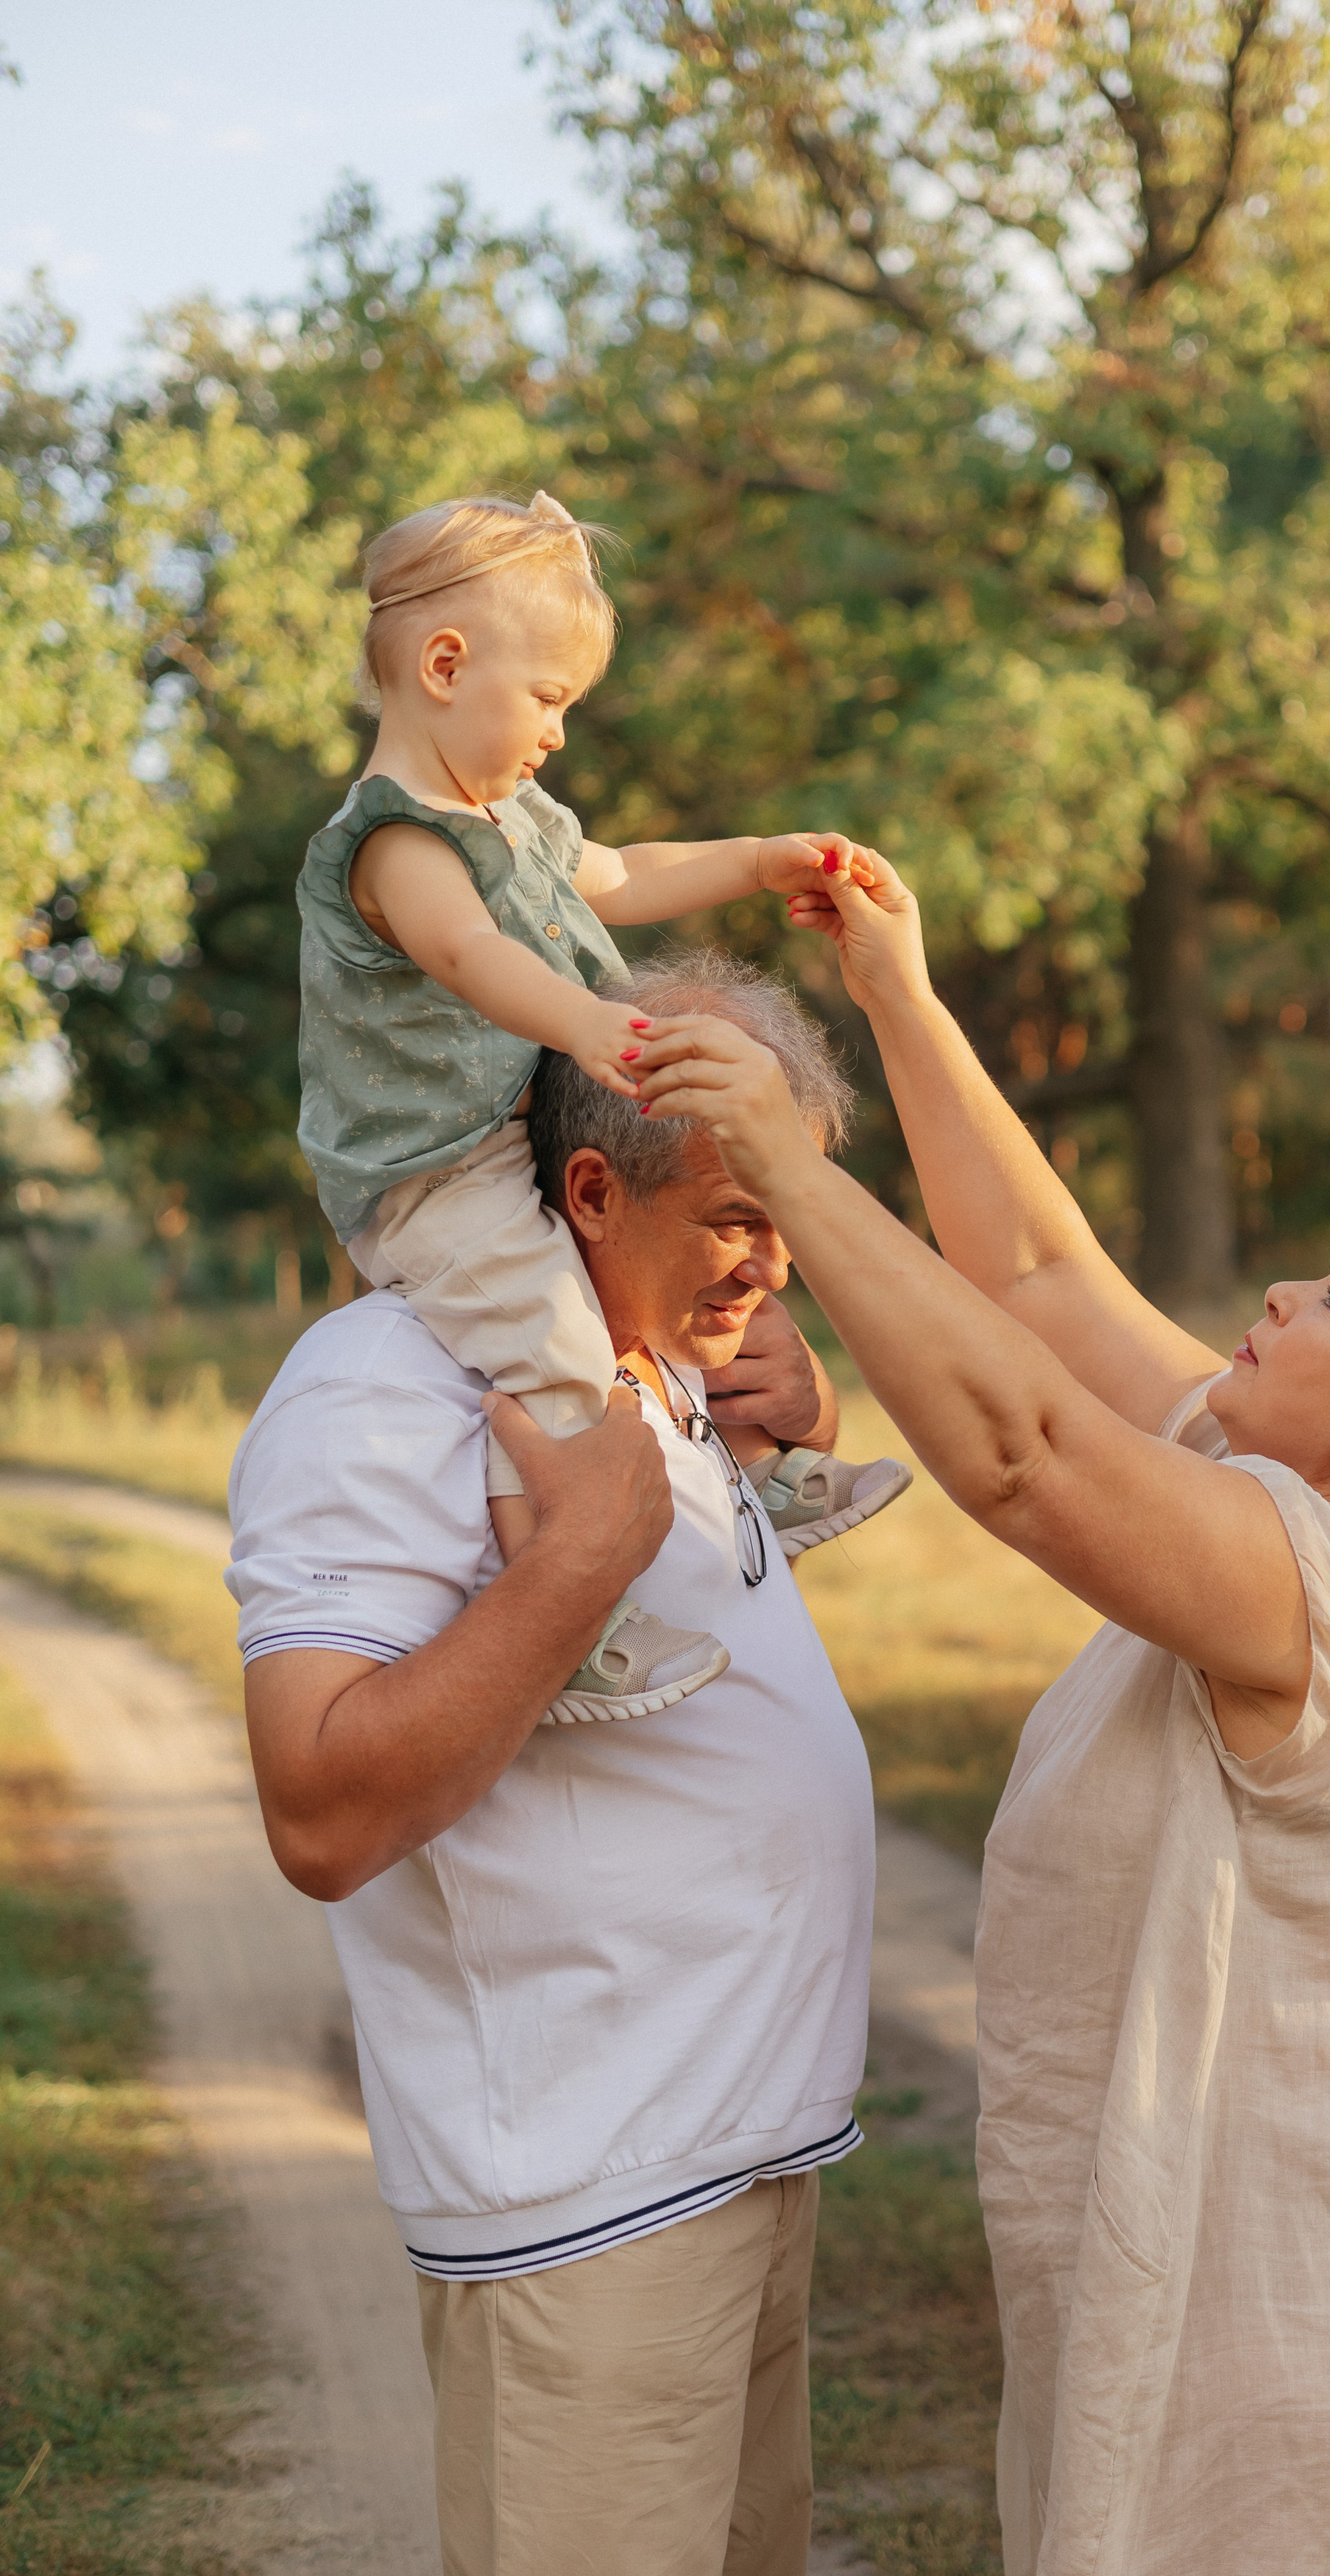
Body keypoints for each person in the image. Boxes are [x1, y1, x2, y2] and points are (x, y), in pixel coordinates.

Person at [631, 853, 1330, 2576]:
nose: (1279, 1298)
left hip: (1286, 2298)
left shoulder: (1324, 1588)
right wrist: (897, 993)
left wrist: (792, 1173)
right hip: (1227, 2260)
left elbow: (1018, 1452)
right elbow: (1038, 1284)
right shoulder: (1292, 1497)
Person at [232, 956, 878, 2576]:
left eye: (792, 1207)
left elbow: (644, 1687)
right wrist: (578, 1563)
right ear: (589, 1187)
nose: (776, 1257)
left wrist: (754, 1442)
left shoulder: (637, 1365)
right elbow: (320, 1807)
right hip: (589, 2201)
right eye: (737, 1212)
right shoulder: (387, 1384)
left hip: (743, 2158)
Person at [296, 487, 905, 1729]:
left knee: (651, 1301)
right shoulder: (396, 844)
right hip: (432, 1171)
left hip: (510, 1135)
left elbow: (621, 874)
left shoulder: (511, 820)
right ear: (445, 666)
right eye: (549, 698)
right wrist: (583, 1022)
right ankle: (569, 1610)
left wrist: (759, 859)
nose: (559, 733)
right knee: (557, 1347)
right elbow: (468, 954)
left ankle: (749, 1478)